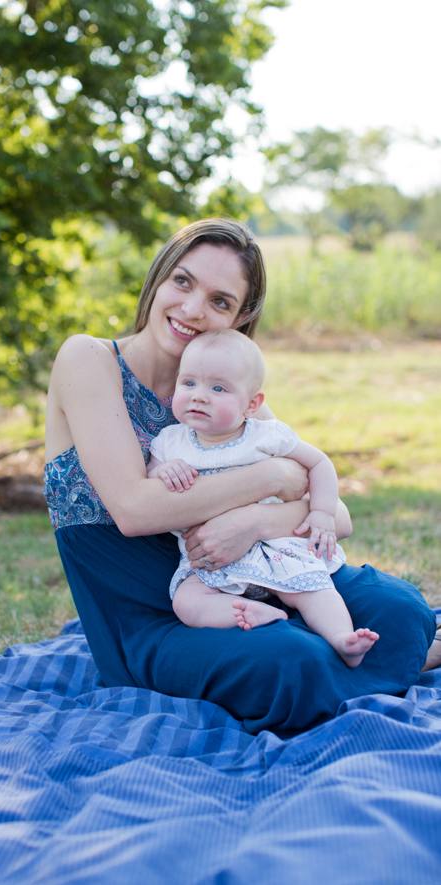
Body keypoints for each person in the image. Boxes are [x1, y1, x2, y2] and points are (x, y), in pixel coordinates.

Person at [43, 217, 440, 736]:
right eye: (182, 282)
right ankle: (392, 661)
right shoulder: (89, 359)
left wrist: (253, 523)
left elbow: (337, 517)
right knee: (289, 659)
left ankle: (364, 653)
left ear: (240, 315)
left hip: (264, 581)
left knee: (403, 609)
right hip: (154, 618)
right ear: (158, 278)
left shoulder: (227, 389)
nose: (192, 309)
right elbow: (136, 511)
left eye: (220, 301)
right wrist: (271, 477)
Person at [146, 329, 379, 667]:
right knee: (187, 602)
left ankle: (343, 638)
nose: (199, 396)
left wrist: (323, 513)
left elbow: (319, 462)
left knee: (312, 590)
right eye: (189, 383)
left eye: (218, 388)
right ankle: (248, 612)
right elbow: (151, 480)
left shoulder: (265, 436)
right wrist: (163, 472)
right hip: (212, 561)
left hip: (275, 548)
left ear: (252, 404)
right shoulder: (170, 443)